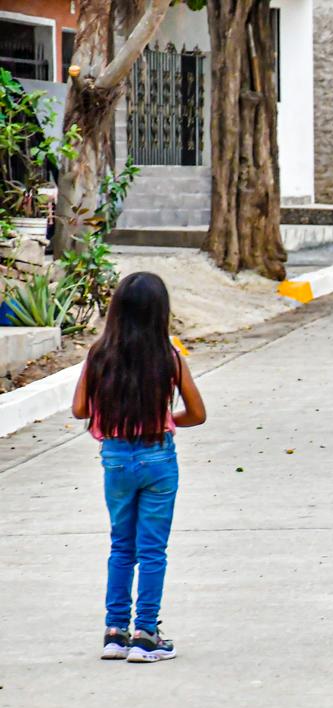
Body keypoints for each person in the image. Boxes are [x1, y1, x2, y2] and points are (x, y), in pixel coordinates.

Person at [72, 272, 206, 662]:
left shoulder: (99, 355)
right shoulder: (169, 357)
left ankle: (115, 633)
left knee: (121, 546)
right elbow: (197, 414)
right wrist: (162, 419)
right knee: (152, 550)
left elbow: (80, 409)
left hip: (115, 458)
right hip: (158, 458)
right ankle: (146, 634)